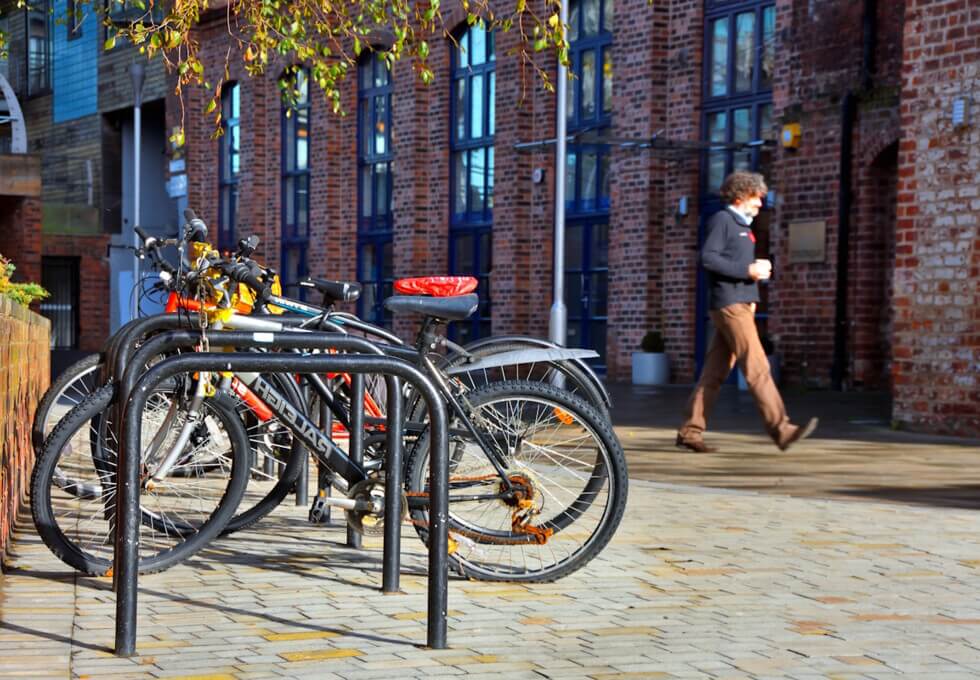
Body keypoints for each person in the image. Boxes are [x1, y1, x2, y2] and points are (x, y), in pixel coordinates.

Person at [676, 170, 817, 453]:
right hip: (731, 306)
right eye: (756, 197)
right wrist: (748, 270)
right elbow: (708, 258)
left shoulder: (742, 225)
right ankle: (782, 429)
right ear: (740, 196)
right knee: (757, 367)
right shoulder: (723, 220)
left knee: (714, 374)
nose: (760, 203)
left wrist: (754, 276)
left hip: (738, 305)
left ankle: (690, 431)